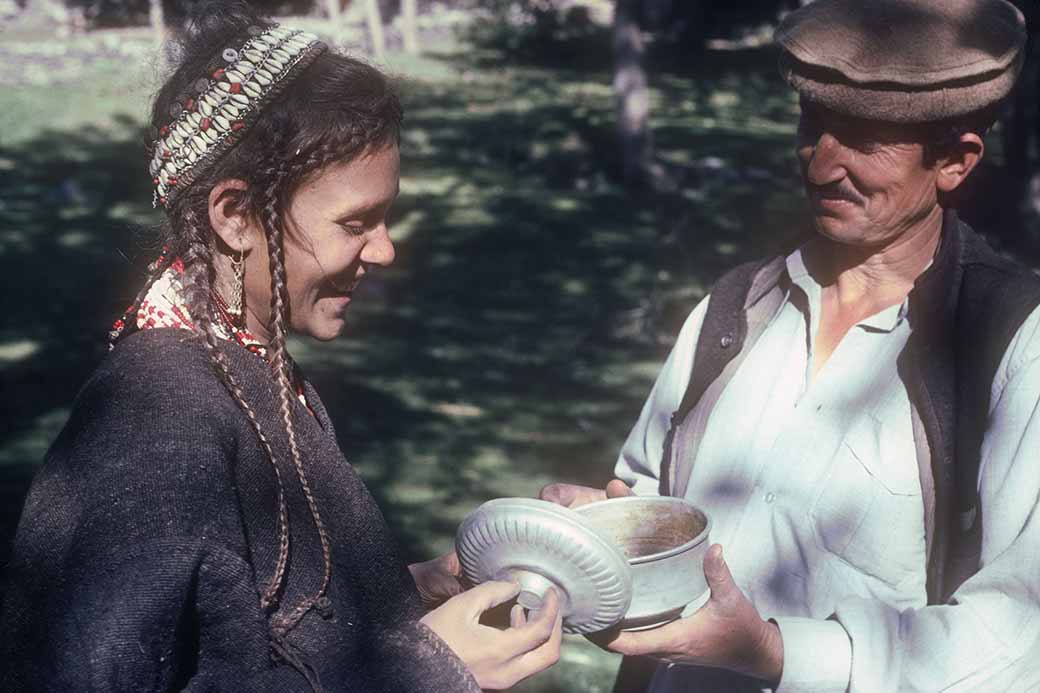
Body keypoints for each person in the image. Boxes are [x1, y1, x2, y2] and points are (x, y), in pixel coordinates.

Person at [0, 4, 562, 691]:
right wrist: (420, 670)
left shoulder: (243, 364)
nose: (384, 249)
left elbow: (247, 624)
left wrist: (408, 592)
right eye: (356, 222)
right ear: (235, 216)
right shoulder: (156, 425)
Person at [542, 0, 1040, 690]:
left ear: (954, 162)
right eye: (814, 125)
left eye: (866, 140)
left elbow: (1019, 638)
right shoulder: (734, 310)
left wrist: (774, 653)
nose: (821, 164)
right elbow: (656, 498)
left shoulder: (1011, 341)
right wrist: (607, 528)